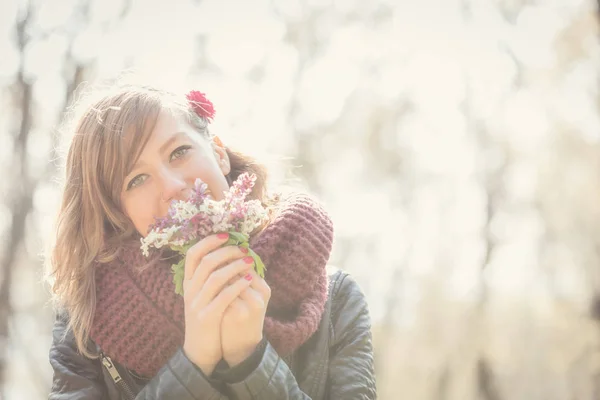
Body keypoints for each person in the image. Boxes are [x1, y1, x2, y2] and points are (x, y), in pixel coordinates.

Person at [46, 83, 376, 399]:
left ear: (218, 153)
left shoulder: (337, 300)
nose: (172, 185)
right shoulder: (88, 322)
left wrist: (250, 360)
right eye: (137, 179)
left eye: (179, 152)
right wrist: (194, 360)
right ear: (116, 211)